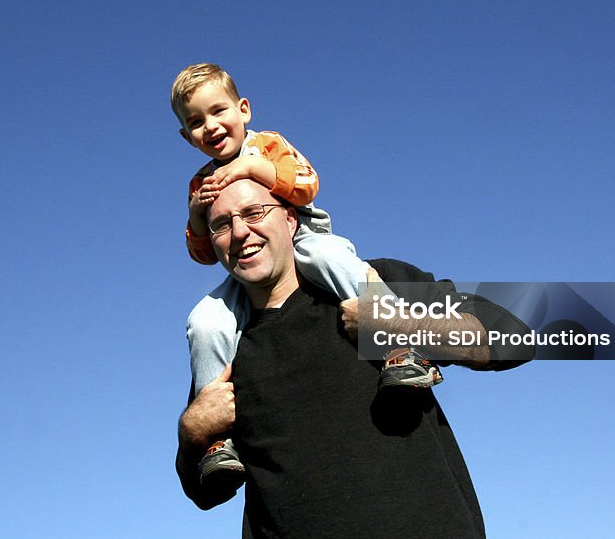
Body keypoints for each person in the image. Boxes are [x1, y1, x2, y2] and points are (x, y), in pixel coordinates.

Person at [175, 178, 533, 539]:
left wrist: (399, 323)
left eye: (254, 212)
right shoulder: (223, 344)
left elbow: (515, 337)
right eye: (221, 224)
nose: (239, 232)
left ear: (291, 220)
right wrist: (191, 432)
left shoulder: (372, 283)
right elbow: (205, 492)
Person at [171, 63, 443, 487]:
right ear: (188, 138)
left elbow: (306, 184)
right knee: (204, 321)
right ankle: (218, 443)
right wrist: (195, 216)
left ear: (243, 109)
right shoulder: (199, 185)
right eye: (196, 123)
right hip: (241, 295)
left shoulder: (266, 145)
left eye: (218, 111)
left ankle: (399, 347)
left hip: (309, 242)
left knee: (328, 256)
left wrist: (252, 171)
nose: (211, 126)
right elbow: (203, 255)